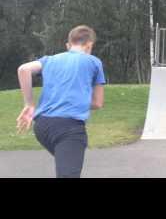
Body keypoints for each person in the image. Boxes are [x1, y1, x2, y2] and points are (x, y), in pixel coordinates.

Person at [16, 25, 106, 178]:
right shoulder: (94, 62)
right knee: (68, 174)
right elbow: (97, 103)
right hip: (68, 129)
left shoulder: (49, 60)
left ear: (68, 45)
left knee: (67, 167)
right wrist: (77, 100)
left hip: (42, 127)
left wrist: (29, 104)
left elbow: (23, 70)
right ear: (89, 45)